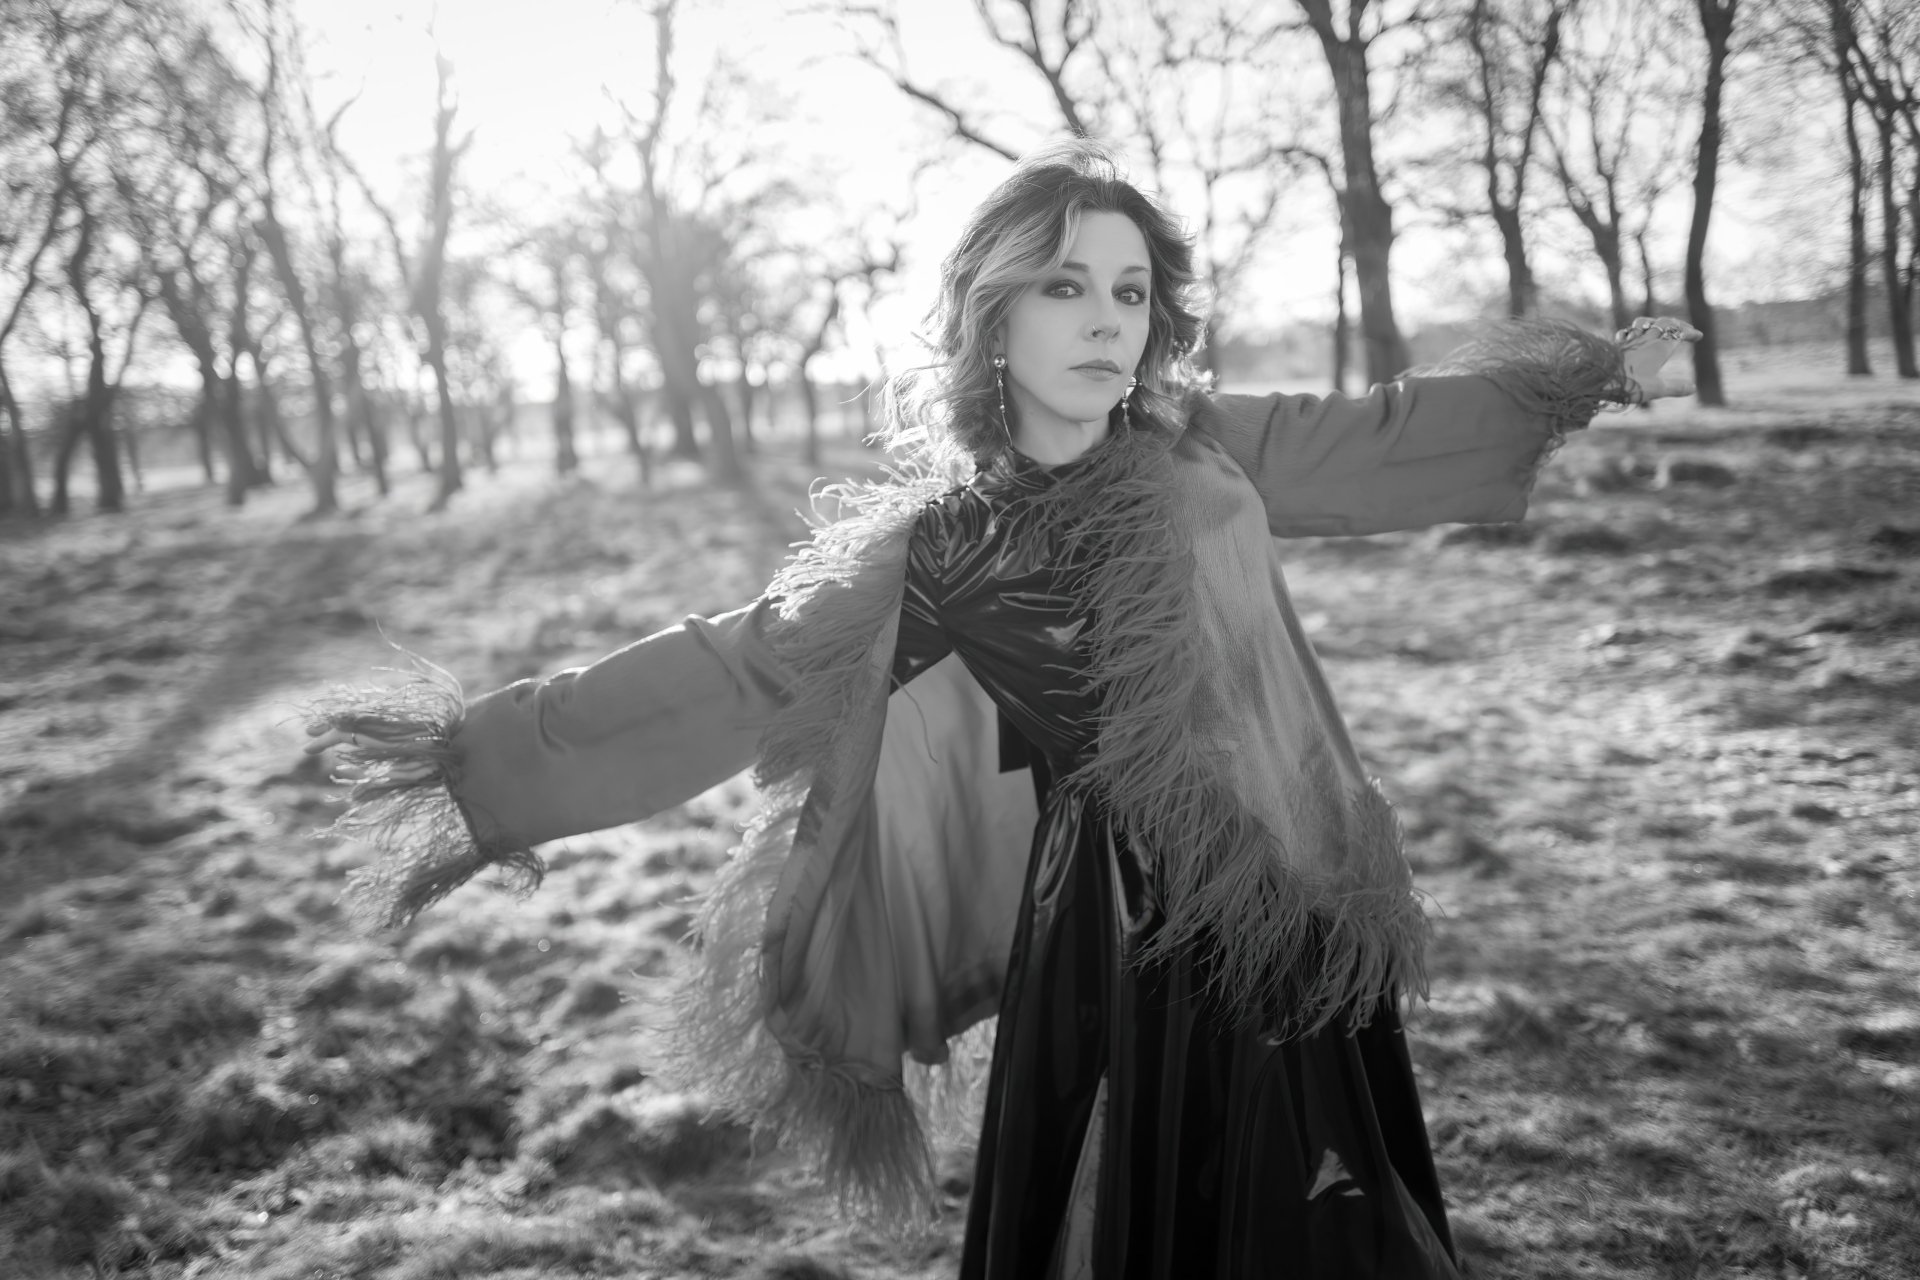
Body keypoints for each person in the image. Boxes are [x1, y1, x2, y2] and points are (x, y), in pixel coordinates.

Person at [306, 140, 1698, 1278]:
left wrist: (1586, 378)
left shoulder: (1206, 442)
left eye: (1133, 293)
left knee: (1329, 1205)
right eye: (1067, 290)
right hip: (1129, 928)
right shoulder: (949, 546)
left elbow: (1383, 435)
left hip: (1297, 869)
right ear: (995, 312)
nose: (1107, 322)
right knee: (1163, 1211)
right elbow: (734, 666)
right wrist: (480, 763)